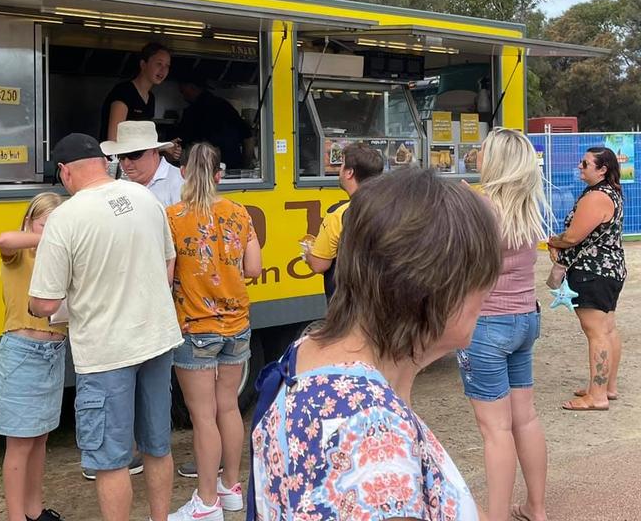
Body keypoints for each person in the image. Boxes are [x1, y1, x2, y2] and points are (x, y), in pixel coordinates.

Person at [250, 168, 502, 520]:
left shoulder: (310, 354)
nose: (488, 295)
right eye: (481, 280)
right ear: (436, 290)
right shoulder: (374, 438)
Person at [28, 133, 182, 521]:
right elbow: (168, 265)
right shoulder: (146, 197)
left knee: (111, 459)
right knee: (157, 447)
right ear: (103, 161)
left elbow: (45, 302)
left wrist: (36, 305)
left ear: (64, 172)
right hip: (157, 339)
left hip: (105, 351)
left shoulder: (65, 217)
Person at [166, 143, 262, 521]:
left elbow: (166, 276)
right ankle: (231, 487)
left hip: (194, 327)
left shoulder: (172, 217)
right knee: (228, 407)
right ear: (220, 175)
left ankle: (206, 502)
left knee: (202, 415)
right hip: (237, 324)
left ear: (185, 173)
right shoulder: (240, 213)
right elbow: (254, 268)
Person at [456, 129, 549, 521]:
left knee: (495, 430)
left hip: (487, 327)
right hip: (525, 319)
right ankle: (536, 508)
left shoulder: (480, 209)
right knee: (524, 417)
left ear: (494, 161)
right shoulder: (528, 206)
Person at [0, 192, 67, 521]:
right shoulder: (18, 257)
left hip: (54, 351)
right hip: (22, 352)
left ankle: (35, 511)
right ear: (29, 223)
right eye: (43, 224)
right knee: (20, 442)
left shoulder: (63, 259)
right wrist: (46, 237)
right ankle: (15, 516)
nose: (50, 232)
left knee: (41, 437)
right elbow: (4, 239)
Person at [547, 146, 626, 412]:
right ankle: (605, 387)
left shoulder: (596, 197)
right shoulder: (610, 192)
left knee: (596, 332)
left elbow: (572, 237)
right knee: (607, 328)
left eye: (585, 164)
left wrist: (552, 242)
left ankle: (598, 395)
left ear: (602, 169)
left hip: (593, 271)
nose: (580, 167)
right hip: (608, 270)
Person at [302, 142, 383, 303]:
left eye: (342, 165)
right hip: (384, 300)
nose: (339, 170)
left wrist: (308, 254)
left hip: (348, 305)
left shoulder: (338, 214)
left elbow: (319, 265)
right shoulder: (393, 206)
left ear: (349, 173)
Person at [176, 74, 253, 172]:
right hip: (232, 169)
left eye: (183, 91)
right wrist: (244, 168)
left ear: (192, 87)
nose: (183, 96)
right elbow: (248, 138)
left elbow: (182, 146)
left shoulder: (191, 112)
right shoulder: (225, 106)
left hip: (205, 171)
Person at [99, 41, 172, 142]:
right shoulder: (123, 92)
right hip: (117, 157)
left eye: (167, 65)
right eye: (159, 64)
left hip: (138, 158)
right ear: (143, 64)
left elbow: (144, 140)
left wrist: (163, 148)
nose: (163, 70)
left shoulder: (151, 98)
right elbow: (113, 139)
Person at [101, 120, 184, 208]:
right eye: (121, 156)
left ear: (154, 151)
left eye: (134, 155)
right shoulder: (119, 183)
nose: (126, 163)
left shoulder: (180, 184)